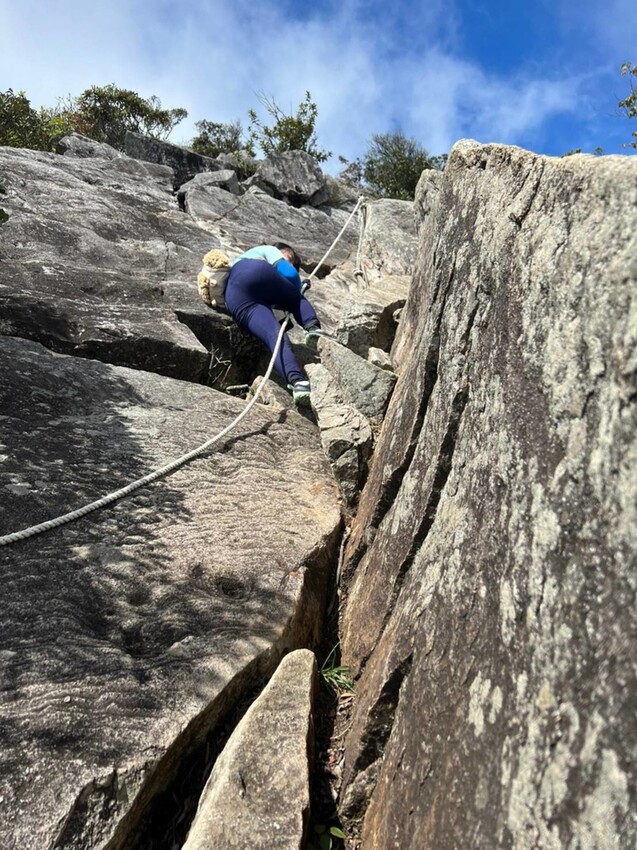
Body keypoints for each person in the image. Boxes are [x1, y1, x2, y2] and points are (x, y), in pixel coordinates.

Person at [224, 243, 326, 405]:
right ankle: (312, 328)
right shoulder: (267, 250)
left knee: (276, 336)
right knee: (295, 298)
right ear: (280, 252)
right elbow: (290, 275)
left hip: (235, 300)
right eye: (289, 259)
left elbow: (278, 318)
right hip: (254, 273)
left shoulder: (239, 264)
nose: (290, 263)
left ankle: (298, 383)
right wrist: (297, 289)